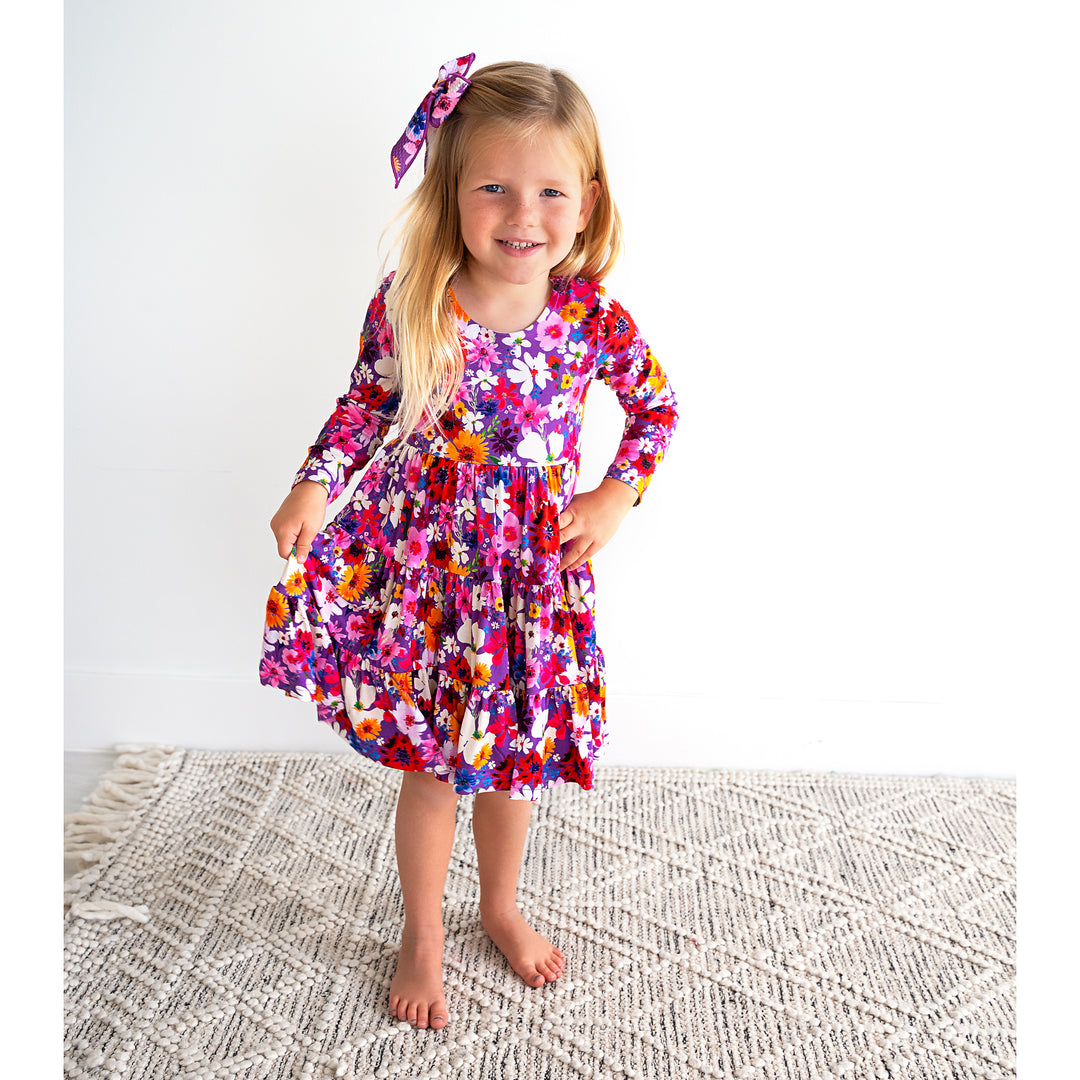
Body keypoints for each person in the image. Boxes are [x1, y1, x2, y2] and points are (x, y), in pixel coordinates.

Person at [259, 54, 679, 1032]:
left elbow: (656, 411)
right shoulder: (416, 300)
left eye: (550, 191)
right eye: (494, 187)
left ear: (586, 201)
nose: (522, 213)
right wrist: (313, 483)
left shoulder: (591, 319)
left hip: (529, 586)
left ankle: (498, 905)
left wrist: (614, 496)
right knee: (435, 770)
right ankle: (421, 932)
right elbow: (365, 408)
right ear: (452, 192)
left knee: (512, 767)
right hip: (433, 582)